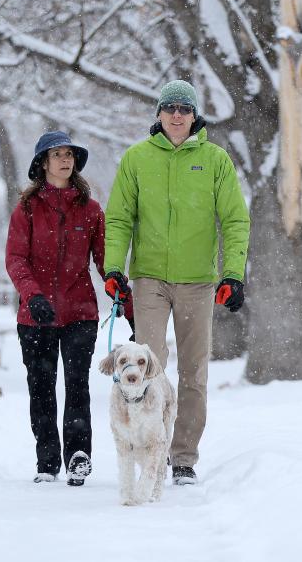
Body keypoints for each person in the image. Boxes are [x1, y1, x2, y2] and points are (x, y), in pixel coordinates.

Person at [104, 79, 250, 485]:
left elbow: (235, 219)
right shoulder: (136, 159)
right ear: (158, 113)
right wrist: (114, 269)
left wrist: (233, 275)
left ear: (194, 115)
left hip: (198, 281)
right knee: (149, 365)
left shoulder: (215, 160)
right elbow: (118, 218)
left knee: (194, 372)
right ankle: (145, 444)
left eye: (184, 109)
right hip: (148, 278)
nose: (177, 115)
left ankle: (182, 456)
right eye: (169, 107)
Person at [6, 131, 133, 485]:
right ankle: (47, 462)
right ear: (43, 163)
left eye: (69, 154)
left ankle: (78, 457)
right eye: (57, 154)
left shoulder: (90, 210)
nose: (65, 160)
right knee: (41, 388)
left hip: (80, 313)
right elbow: (16, 260)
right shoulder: (27, 210)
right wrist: (33, 296)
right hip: (36, 316)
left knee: (77, 387)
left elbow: (104, 260)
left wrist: (118, 285)